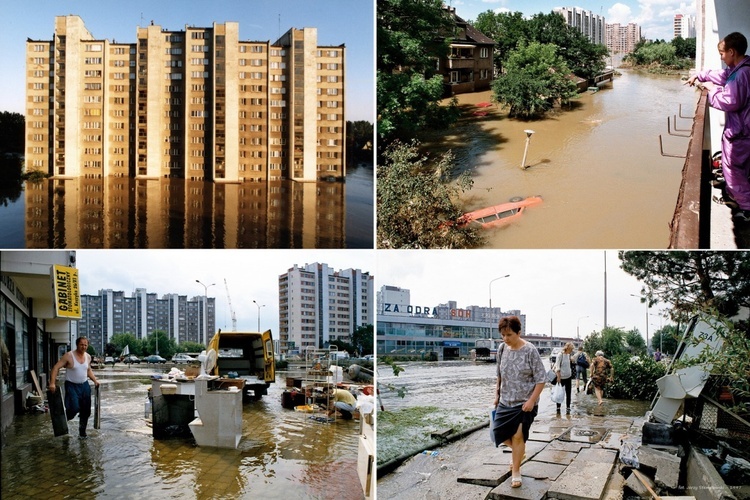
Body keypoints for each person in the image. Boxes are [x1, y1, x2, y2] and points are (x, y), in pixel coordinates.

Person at [687, 32, 750, 222]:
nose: (721, 57)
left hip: (741, 132)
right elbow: (722, 75)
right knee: (742, 168)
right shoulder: (741, 69)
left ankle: (746, 208)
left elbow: (730, 101)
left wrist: (711, 89)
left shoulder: (741, 74)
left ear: (731, 52)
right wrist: (701, 75)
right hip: (744, 130)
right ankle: (739, 197)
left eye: (722, 53)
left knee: (733, 169)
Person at [491, 316, 546, 489]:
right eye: (503, 335)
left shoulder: (530, 350)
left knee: (517, 435)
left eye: (509, 335)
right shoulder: (502, 349)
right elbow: (499, 374)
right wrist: (496, 394)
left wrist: (531, 400)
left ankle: (516, 471)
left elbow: (541, 379)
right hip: (505, 401)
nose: (506, 339)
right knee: (497, 432)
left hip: (524, 403)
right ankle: (519, 450)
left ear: (519, 333)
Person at [49, 337, 100, 438]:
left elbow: (88, 369)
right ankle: (63, 421)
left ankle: (82, 433)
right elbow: (55, 368)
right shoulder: (69, 356)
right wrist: (52, 383)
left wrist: (95, 380)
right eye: (81, 344)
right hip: (71, 385)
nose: (84, 347)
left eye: (85, 345)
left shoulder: (88, 357)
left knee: (86, 411)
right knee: (73, 408)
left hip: (84, 385)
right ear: (77, 345)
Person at [553, 342, 575, 414]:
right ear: (567, 348)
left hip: (568, 377)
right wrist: (558, 377)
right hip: (561, 378)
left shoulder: (569, 355)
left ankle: (568, 407)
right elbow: (557, 367)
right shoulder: (560, 355)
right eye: (571, 349)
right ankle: (558, 408)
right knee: (560, 393)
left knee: (568, 393)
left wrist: (572, 359)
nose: (572, 351)